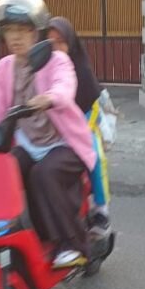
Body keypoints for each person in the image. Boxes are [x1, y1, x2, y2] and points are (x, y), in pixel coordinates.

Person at [0, 0, 96, 269]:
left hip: (63, 143)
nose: (15, 37)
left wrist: (49, 98)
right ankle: (9, 239)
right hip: (29, 142)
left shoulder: (56, 60)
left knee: (44, 173)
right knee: (2, 170)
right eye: (9, 30)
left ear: (37, 32)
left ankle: (71, 245)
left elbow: (65, 86)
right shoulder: (4, 68)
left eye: (23, 30)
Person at [47, 16, 111, 236]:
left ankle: (101, 210)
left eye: (60, 41)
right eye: (50, 42)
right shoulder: (42, 67)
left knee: (92, 154)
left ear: (70, 42)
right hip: (54, 121)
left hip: (84, 115)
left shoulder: (80, 67)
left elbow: (88, 100)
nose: (56, 47)